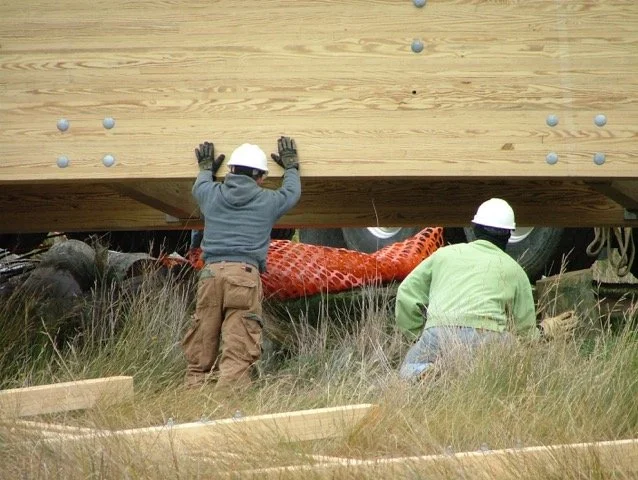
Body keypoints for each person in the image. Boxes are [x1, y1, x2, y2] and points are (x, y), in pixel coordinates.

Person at [395, 198, 578, 380]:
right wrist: (545, 331)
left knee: (409, 367)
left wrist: (418, 334)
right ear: (508, 235)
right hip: (490, 337)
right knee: (513, 363)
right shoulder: (514, 270)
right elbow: (526, 335)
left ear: (474, 228)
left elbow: (406, 294)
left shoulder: (444, 254)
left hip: (440, 331)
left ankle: (424, 371)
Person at [182, 136, 301, 389]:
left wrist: (205, 169)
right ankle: (228, 404)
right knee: (239, 343)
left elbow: (199, 186)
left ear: (231, 170)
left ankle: (193, 397)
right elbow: (292, 193)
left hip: (210, 274)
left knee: (203, 336)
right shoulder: (267, 201)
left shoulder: (210, 194)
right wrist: (291, 168)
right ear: (259, 176)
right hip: (243, 276)